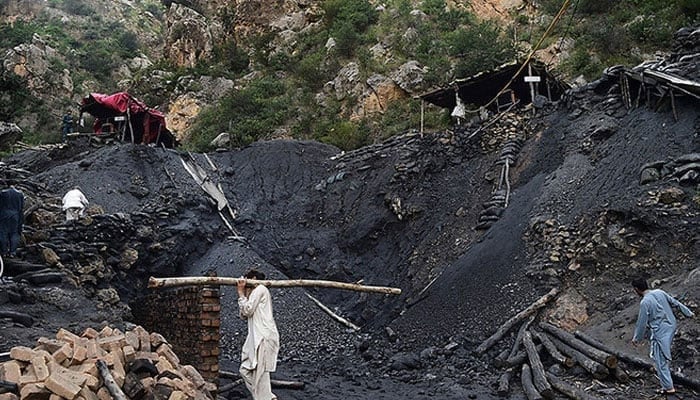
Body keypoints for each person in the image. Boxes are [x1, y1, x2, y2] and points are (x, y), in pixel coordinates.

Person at [631, 277, 694, 395]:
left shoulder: (645, 302)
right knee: (661, 355)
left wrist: (637, 338)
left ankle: (668, 388)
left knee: (660, 359)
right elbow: (675, 302)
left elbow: (642, 322)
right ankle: (667, 382)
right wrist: (688, 312)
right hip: (671, 324)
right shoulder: (659, 292)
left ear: (636, 289)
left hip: (661, 331)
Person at [237, 269, 280, 400]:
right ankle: (266, 397)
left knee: (261, 374)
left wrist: (240, 293)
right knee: (245, 370)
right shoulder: (254, 293)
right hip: (256, 337)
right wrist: (245, 295)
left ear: (253, 279)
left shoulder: (260, 289)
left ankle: (266, 398)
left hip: (263, 336)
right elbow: (244, 315)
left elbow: (248, 310)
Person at [0, 186, 24, 257]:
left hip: (4, 214)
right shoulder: (20, 194)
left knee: (3, 232)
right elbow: (21, 207)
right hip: (15, 215)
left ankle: (4, 251)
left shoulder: (3, 193)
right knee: (14, 233)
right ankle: (12, 252)